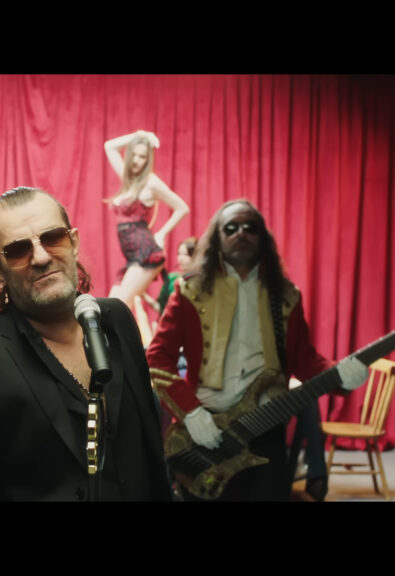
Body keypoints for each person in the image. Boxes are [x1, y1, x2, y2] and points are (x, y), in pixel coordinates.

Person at [0, 186, 172, 501]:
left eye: (54, 238)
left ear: (74, 242)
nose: (42, 257)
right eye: (18, 250)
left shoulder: (118, 319)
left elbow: (151, 453)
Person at [146, 199, 368, 501]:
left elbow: (304, 361)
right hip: (208, 429)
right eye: (231, 228)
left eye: (250, 227)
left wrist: (340, 374)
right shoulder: (189, 291)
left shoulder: (286, 296)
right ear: (217, 237)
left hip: (267, 429)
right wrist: (191, 413)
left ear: (262, 237)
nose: (241, 233)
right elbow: (158, 357)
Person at [103, 130, 190, 307]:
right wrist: (139, 135)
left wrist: (161, 234)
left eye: (142, 156)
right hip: (133, 258)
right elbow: (109, 147)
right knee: (109, 307)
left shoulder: (151, 182)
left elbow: (182, 208)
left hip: (147, 254)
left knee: (117, 308)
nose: (136, 160)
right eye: (133, 154)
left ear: (148, 159)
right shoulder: (128, 179)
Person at [154, 236, 197, 315]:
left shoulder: (200, 281)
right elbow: (162, 308)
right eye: (179, 254)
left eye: (186, 254)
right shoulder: (172, 278)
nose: (180, 258)